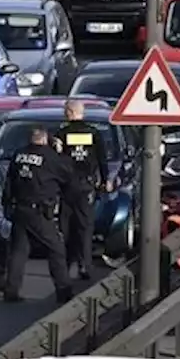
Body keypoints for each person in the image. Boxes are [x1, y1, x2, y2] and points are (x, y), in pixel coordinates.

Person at [3, 127, 75, 304]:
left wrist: (7, 206)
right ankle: (63, 291)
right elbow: (68, 174)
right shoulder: (50, 158)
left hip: (20, 209)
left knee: (19, 252)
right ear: (44, 140)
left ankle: (11, 291)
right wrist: (61, 152)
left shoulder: (19, 154)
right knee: (56, 249)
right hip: (39, 212)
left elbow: (9, 180)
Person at [54, 100, 111, 280]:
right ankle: (85, 265)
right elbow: (102, 159)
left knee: (65, 227)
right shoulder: (93, 133)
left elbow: (55, 161)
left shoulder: (61, 134)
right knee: (85, 227)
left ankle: (65, 265)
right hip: (86, 187)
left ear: (70, 112)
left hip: (66, 187)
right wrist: (106, 179)